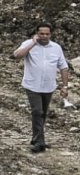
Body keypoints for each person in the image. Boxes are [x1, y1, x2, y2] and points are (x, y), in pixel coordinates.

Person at [13, 23, 70, 153]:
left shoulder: (56, 48)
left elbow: (63, 67)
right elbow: (17, 56)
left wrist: (65, 86)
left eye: (47, 34)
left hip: (49, 86)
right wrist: (32, 43)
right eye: (41, 33)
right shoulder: (28, 44)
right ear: (37, 33)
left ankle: (36, 138)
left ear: (51, 34)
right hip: (32, 85)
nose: (44, 36)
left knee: (43, 113)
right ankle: (40, 142)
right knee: (37, 111)